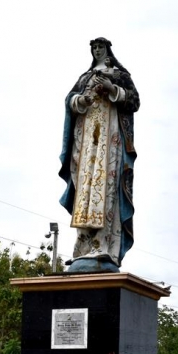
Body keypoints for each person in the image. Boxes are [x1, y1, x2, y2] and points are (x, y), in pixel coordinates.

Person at [58, 37, 140, 272]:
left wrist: (113, 89)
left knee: (106, 189)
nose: (97, 50)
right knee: (84, 191)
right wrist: (80, 100)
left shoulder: (119, 74)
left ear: (107, 49)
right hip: (86, 144)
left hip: (110, 141)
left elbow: (134, 101)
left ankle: (104, 245)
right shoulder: (85, 77)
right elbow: (69, 99)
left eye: (100, 47)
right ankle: (82, 247)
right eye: (94, 47)